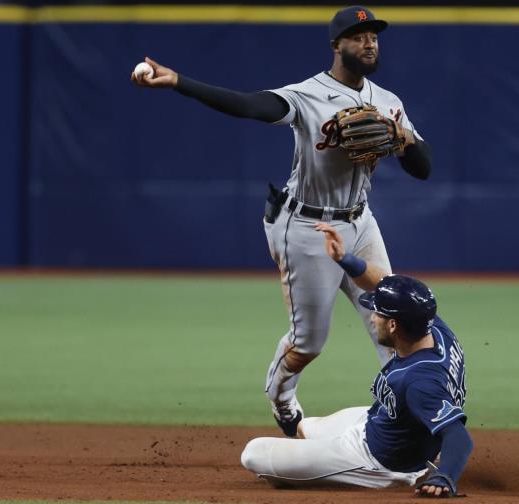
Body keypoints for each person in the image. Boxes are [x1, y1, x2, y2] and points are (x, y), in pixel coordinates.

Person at [131, 5, 433, 436]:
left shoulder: (388, 103)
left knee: (393, 318)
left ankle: (410, 426)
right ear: (337, 45)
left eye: (373, 37)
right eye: (358, 36)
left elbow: (423, 168)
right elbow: (248, 106)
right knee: (309, 342)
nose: (369, 43)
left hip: (361, 223)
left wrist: (403, 139)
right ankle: (281, 396)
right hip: (306, 226)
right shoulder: (307, 94)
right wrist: (180, 81)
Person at [239, 222, 471, 498]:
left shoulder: (420, 381)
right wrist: (344, 259)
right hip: (379, 422)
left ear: (394, 325)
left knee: (253, 453)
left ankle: (403, 475)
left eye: (377, 313)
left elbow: (458, 435)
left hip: (376, 462)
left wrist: (446, 476)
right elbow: (382, 282)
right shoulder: (432, 328)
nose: (372, 317)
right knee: (306, 427)